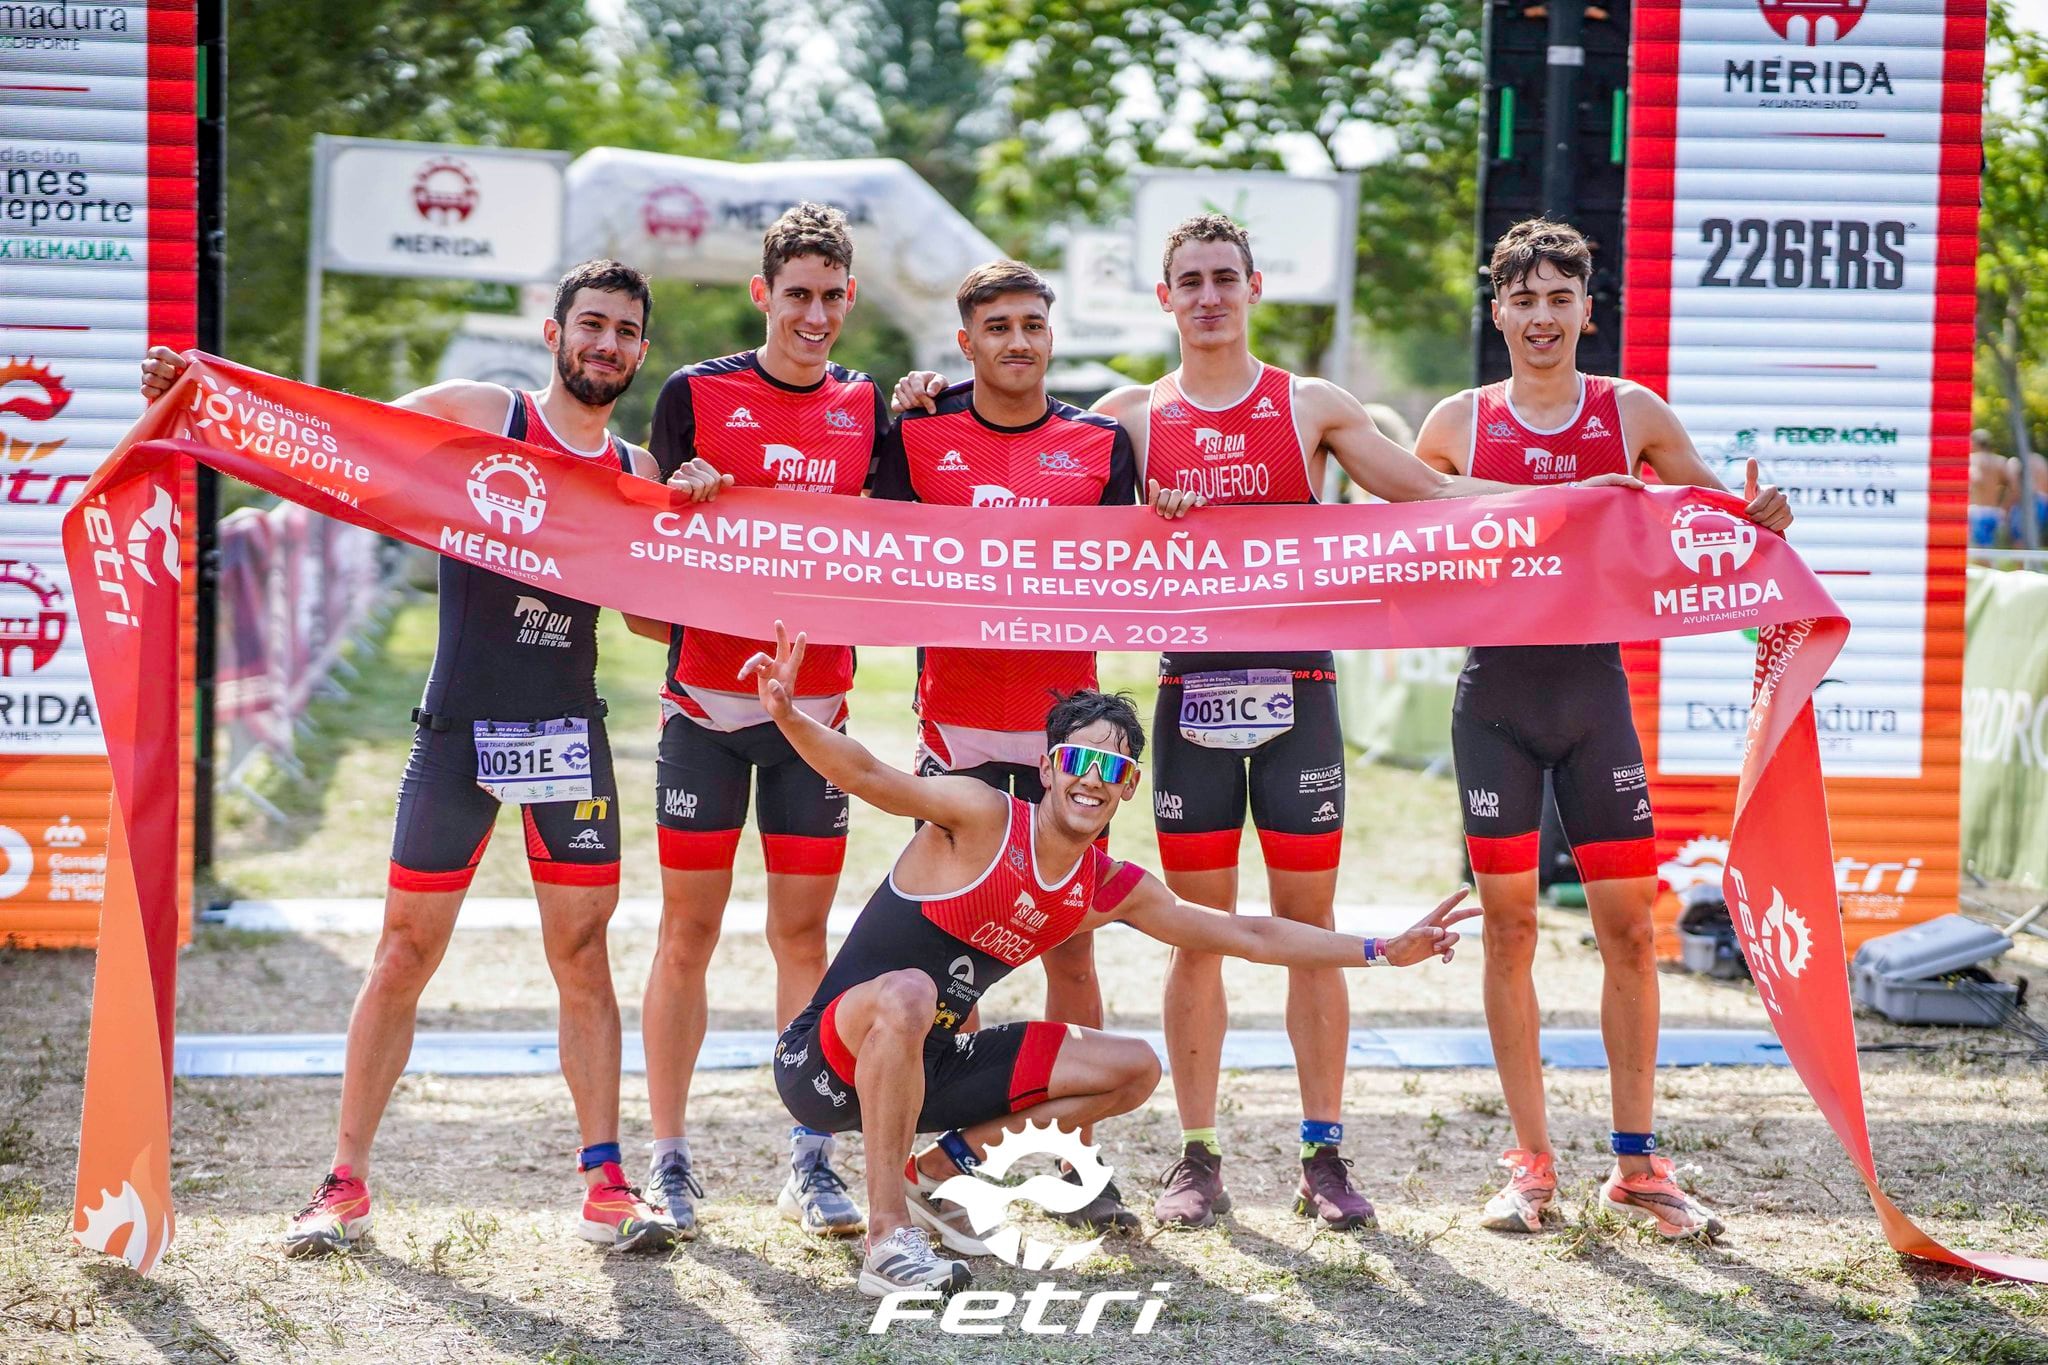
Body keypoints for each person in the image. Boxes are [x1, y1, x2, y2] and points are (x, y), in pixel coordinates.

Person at [900, 213, 1635, 1232]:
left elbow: (1426, 496)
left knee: (1305, 933)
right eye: (1188, 281)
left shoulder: (1310, 405)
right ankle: (1196, 1160)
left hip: (1299, 698)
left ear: (1252, 290)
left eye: (1222, 279)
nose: (1206, 296)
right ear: (1166, 299)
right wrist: (928, 400)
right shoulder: (1126, 420)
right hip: (1188, 700)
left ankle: (1321, 1154)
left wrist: (1571, 504)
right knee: (1193, 942)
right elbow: (1016, 467)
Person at [140, 260, 683, 1256]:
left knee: (581, 957)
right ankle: (344, 1182)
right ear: (556, 334)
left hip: (565, 735)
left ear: (641, 351)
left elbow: (652, 619)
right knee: (402, 955)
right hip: (459, 732)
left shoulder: (637, 472)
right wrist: (205, 397)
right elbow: (345, 431)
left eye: (624, 332)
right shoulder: (488, 414)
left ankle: (606, 1183)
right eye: (591, 325)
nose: (606, 344)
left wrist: (686, 523)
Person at [739, 623, 1478, 1296]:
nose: (1092, 777)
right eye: (1078, 760)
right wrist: (789, 714)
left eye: (1111, 767)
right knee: (906, 990)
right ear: (1049, 769)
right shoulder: (984, 816)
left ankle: (933, 1172)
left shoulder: (1105, 886)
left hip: (928, 1070)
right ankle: (887, 1237)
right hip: (823, 1065)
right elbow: (870, 776)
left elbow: (1248, 934)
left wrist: (1383, 949)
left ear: (1126, 788)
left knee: (1132, 1067)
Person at [1412, 217, 1792, 1241]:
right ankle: (1527, 1165)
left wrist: (1761, 523)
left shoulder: (1628, 411)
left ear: (1587, 309)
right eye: (1521, 300)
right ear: (1496, 314)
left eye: (1557, 299)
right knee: (1509, 931)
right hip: (1492, 700)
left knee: (1627, 934)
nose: (1540, 318)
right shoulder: (1455, 422)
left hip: (1593, 703)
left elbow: (1718, 519)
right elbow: (1395, 521)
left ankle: (1635, 1163)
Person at [634, 202, 890, 1239]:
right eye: (797, 297)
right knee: (686, 931)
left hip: (812, 718)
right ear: (762, 294)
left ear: (850, 299)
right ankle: (668, 1160)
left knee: (800, 935)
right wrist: (679, 497)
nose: (814, 316)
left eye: (832, 298)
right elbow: (639, 558)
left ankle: (808, 1158)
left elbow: (904, 533)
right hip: (704, 704)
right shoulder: (694, 393)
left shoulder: (870, 406)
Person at [875, 260, 1141, 1231]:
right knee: (954, 965)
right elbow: (845, 542)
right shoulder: (916, 433)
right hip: (953, 742)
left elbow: (1140, 565)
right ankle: (952, 1152)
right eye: (997, 327)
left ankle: (1075, 1161)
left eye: (1032, 324)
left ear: (1049, 334)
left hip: (1062, 752)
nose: (1017, 342)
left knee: (1070, 948)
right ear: (966, 342)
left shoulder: (1098, 442)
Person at [1969, 428, 2014, 548]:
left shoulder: (1973, 460)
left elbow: (1976, 479)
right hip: (1996, 512)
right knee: (1992, 551)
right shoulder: (2000, 461)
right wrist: (2004, 507)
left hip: (1977, 511)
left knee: (1980, 552)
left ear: (1975, 442)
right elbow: (2013, 487)